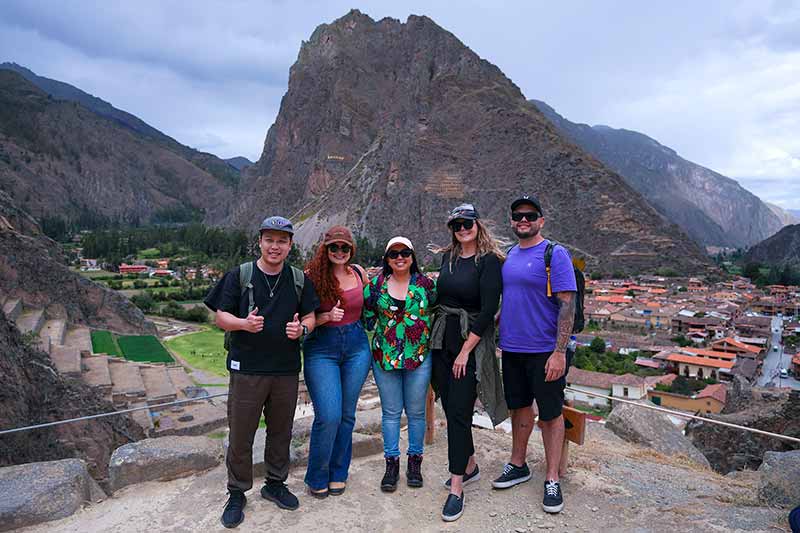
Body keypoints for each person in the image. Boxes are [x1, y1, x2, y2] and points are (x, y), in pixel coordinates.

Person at [204, 216, 320, 529]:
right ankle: (236, 492)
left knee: (281, 430)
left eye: (282, 241)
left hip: (284, 369)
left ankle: (275, 484)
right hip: (247, 369)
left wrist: (302, 329)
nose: (275, 246)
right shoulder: (240, 275)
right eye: (270, 239)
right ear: (260, 241)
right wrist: (243, 324)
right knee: (241, 433)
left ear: (290, 245)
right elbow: (220, 317)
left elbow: (311, 316)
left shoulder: (298, 279)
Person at [493, 195, 577, 515]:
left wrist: (559, 352)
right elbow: (512, 297)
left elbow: (567, 305)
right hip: (512, 349)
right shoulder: (510, 255)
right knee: (520, 408)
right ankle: (518, 464)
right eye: (517, 216)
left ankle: (552, 477)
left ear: (541, 220)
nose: (523, 220)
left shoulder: (555, 254)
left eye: (530, 215)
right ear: (512, 221)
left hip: (545, 350)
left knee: (551, 414)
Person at [429, 204, 508, 522]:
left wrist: (465, 351)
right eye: (457, 224)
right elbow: (439, 299)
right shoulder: (447, 258)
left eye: (467, 223)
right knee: (450, 409)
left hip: (468, 344)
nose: (462, 228)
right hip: (441, 342)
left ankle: (457, 488)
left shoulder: (489, 262)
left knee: (460, 413)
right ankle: (471, 465)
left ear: (478, 224)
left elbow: (488, 311)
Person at [363, 236, 436, 493]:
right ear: (387, 259)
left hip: (418, 357)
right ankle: (391, 463)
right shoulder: (375, 286)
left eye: (405, 252)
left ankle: (414, 462)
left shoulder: (426, 286)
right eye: (394, 254)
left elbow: (438, 314)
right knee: (391, 413)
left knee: (416, 413)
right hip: (385, 358)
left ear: (413, 257)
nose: (400, 257)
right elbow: (366, 318)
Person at [302, 226, 371, 498]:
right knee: (328, 415)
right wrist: (325, 317)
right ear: (325, 249)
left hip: (356, 346)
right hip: (322, 348)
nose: (339, 252)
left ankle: (338, 473)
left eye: (344, 248)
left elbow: (371, 307)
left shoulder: (359, 274)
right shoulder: (312, 278)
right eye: (334, 248)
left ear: (351, 250)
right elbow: (306, 318)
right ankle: (317, 475)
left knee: (346, 415)